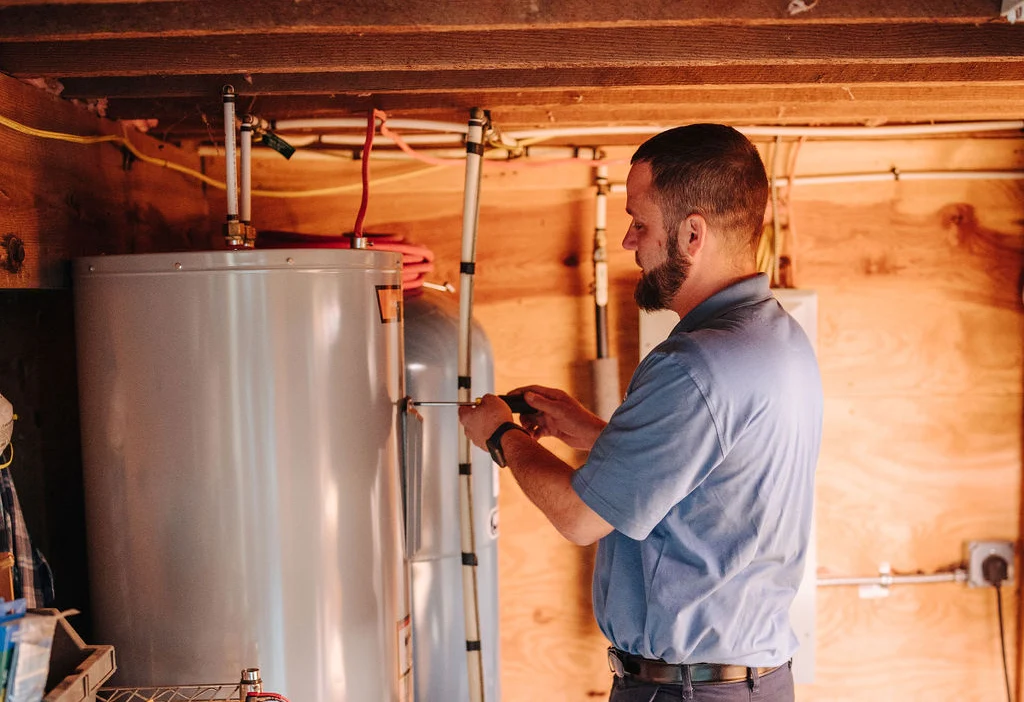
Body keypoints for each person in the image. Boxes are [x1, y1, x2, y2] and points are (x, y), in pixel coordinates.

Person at [458, 124, 822, 702]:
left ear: (692, 234)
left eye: (640, 223)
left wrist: (500, 435)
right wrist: (593, 433)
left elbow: (580, 518)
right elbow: (711, 481)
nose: (630, 242)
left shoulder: (694, 364)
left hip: (687, 693)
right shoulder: (778, 339)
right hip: (753, 684)